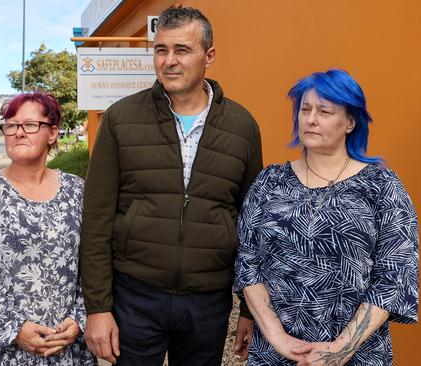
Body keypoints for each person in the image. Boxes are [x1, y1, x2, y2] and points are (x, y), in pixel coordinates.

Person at [80, 6, 263, 366]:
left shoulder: (243, 127)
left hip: (208, 301)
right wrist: (98, 308)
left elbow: (252, 225)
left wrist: (249, 309)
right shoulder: (121, 119)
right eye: (161, 50)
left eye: (182, 50)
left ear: (209, 56)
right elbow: (96, 220)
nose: (169, 61)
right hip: (135, 296)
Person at [234, 69, 419, 365]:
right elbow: (247, 262)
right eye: (305, 109)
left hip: (358, 355)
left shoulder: (382, 187)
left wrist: (340, 349)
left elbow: (394, 277)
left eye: (325, 111)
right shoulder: (269, 182)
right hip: (276, 354)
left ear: (350, 121)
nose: (311, 119)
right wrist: (279, 338)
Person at [0, 92, 96, 365]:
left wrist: (80, 317)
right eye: (11, 125)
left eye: (30, 125)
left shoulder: (76, 190)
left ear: (53, 133)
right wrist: (14, 328)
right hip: (0, 350)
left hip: (64, 345)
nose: (18, 133)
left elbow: (93, 260)